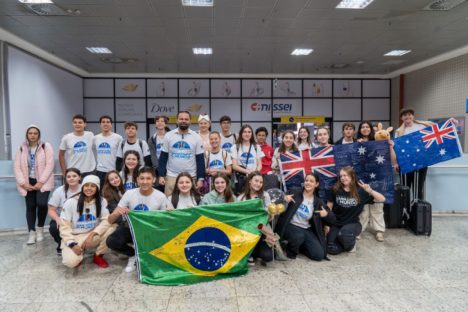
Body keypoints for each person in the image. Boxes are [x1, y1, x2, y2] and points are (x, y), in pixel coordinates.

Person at [106, 167, 171, 273]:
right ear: (137, 180)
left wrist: (169, 213)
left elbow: (170, 218)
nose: (145, 182)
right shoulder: (129, 194)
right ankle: (132, 255)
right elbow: (109, 220)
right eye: (142, 178)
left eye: (148, 179)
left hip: (151, 231)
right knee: (111, 241)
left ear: (154, 180)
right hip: (132, 229)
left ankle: (145, 253)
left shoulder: (160, 196)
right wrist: (118, 212)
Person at [277, 173, 336, 261]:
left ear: (316, 184)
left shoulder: (318, 201)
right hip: (290, 225)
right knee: (298, 236)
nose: (308, 183)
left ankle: (299, 246)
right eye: (306, 180)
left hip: (305, 228)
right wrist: (284, 200)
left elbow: (333, 219)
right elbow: (276, 204)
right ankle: (291, 251)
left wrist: (326, 215)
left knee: (319, 255)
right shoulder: (294, 192)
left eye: (311, 181)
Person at [326, 166, 385, 255]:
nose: (342, 178)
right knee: (331, 248)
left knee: (344, 234)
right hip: (337, 223)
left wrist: (370, 191)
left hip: (353, 224)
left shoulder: (360, 192)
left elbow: (382, 199)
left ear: (352, 176)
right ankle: (343, 242)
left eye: (345, 175)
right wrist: (327, 224)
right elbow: (329, 207)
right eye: (341, 176)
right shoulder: (335, 190)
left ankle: (351, 244)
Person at [59, 175, 114, 268]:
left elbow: (106, 220)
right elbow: (64, 226)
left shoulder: (101, 201)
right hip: (75, 236)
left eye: (93, 186)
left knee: (112, 228)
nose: (89, 188)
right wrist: (72, 244)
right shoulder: (71, 202)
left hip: (91, 235)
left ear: (97, 188)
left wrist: (93, 234)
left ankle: (98, 255)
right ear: (82, 187)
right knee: (71, 263)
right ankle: (78, 253)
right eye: (86, 185)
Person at [14, 125, 55, 245]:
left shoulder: (45, 146)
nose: (32, 135)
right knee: (30, 207)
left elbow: (50, 164)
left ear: (39, 135)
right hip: (27, 181)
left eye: (35, 133)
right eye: (30, 133)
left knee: (42, 204)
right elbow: (17, 167)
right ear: (27, 135)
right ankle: (31, 233)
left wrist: (41, 182)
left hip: (43, 181)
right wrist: (23, 183)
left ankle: (40, 229)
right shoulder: (21, 148)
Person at [158, 111, 205, 196]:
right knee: (170, 205)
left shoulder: (196, 137)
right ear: (177, 120)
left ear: (190, 121)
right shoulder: (168, 135)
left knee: (190, 205)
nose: (183, 121)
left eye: (186, 119)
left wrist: (200, 178)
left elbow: (200, 159)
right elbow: (163, 158)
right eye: (181, 119)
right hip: (171, 176)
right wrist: (161, 175)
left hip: (191, 176)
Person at [394, 108, 436, 199]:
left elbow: (437, 129)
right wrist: (396, 162)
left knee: (418, 188)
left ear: (413, 116)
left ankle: (417, 210)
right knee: (405, 187)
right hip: (405, 163)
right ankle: (405, 210)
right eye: (405, 115)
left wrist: (450, 121)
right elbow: (397, 148)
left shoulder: (422, 126)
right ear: (401, 118)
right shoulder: (398, 131)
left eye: (409, 114)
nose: (407, 117)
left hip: (421, 162)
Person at [237, 172, 273, 264]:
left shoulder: (265, 196)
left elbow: (269, 219)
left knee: (267, 257)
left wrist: (271, 214)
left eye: (261, 182)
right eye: (256, 181)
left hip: (262, 228)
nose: (258, 184)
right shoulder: (241, 198)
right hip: (247, 230)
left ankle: (255, 251)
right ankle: (252, 251)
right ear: (250, 181)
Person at [48, 168, 81, 255]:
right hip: (63, 218)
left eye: (74, 176)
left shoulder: (85, 189)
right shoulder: (59, 191)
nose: (71, 178)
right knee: (54, 227)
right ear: (65, 178)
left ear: (79, 178)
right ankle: (61, 244)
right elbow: (51, 210)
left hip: (80, 218)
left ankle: (80, 244)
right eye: (68, 177)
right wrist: (57, 219)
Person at [231, 125, 264, 195]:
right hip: (241, 178)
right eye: (245, 132)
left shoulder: (256, 147)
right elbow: (234, 166)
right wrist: (247, 172)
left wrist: (254, 174)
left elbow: (260, 165)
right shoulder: (235, 147)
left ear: (252, 134)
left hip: (254, 179)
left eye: (249, 132)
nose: (247, 134)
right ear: (241, 134)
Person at [93, 115, 123, 189]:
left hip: (114, 171)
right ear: (100, 125)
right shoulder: (95, 138)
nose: (105, 124)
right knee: (100, 193)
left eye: (108, 122)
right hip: (100, 171)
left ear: (111, 125)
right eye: (103, 122)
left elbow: (122, 155)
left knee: (114, 193)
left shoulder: (118, 138)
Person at [147, 115, 168, 184]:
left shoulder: (170, 137)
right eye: (157, 121)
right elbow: (152, 155)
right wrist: (158, 169)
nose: (160, 123)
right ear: (155, 124)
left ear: (165, 124)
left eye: (162, 121)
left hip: (169, 168)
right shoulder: (151, 139)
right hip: (157, 169)